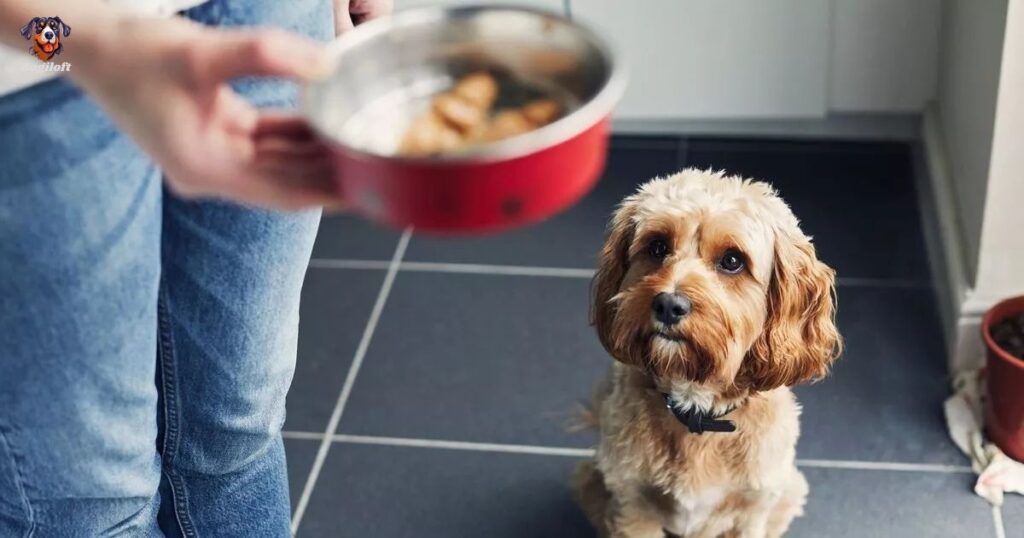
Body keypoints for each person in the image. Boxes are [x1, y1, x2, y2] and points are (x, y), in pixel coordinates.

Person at [0, 0, 390, 535]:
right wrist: (83, 40)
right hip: (36, 61)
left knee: (236, 431)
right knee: (91, 503)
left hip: (266, 11)